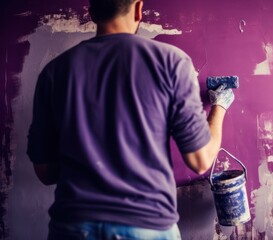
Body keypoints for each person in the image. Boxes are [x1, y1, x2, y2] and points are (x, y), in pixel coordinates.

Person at [26, 0, 234, 239]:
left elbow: (45, 172)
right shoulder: (172, 62)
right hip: (146, 225)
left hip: (74, 227)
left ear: (92, 12)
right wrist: (219, 106)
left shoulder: (54, 72)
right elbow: (200, 160)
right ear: (138, 8)